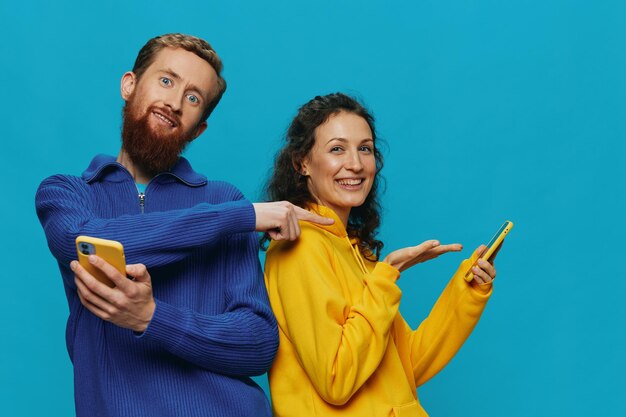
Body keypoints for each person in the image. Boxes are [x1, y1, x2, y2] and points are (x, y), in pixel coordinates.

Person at [35, 33, 331, 417]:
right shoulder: (67, 193)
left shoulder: (224, 198)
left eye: (193, 98)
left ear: (199, 128)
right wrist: (243, 217)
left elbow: (258, 344)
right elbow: (91, 239)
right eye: (166, 80)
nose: (174, 103)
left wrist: (152, 318)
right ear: (129, 85)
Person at [263, 93, 500, 417]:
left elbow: (406, 366)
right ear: (301, 162)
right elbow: (337, 378)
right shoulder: (300, 247)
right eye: (337, 148)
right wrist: (386, 276)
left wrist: (466, 291)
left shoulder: (353, 250)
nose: (356, 164)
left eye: (365, 148)